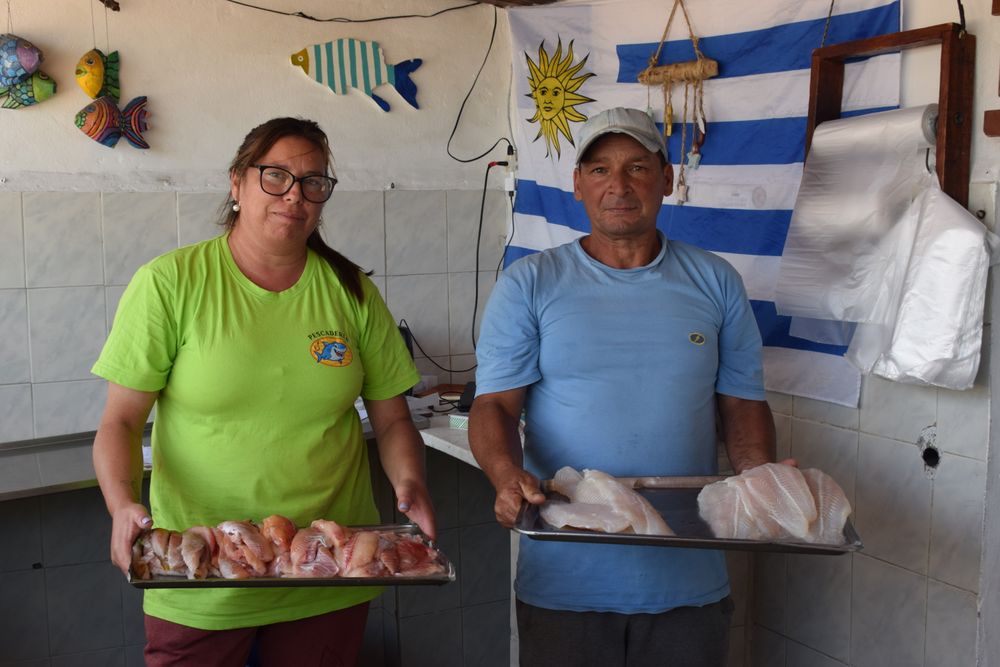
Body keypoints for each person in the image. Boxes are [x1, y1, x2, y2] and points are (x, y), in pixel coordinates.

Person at [91, 117, 435, 666]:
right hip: (202, 568)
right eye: (275, 176)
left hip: (327, 564)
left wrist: (409, 481)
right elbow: (121, 423)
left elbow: (393, 419)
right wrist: (122, 504)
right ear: (237, 183)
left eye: (313, 182)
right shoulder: (171, 283)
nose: (294, 195)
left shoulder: (351, 291)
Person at [469, 107, 776, 667]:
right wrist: (505, 474)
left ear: (667, 178)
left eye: (637, 167)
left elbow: (743, 404)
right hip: (567, 579)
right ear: (578, 184)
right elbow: (493, 405)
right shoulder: (530, 284)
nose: (619, 185)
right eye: (601, 169)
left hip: (688, 576)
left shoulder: (715, 279)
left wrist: (762, 482)